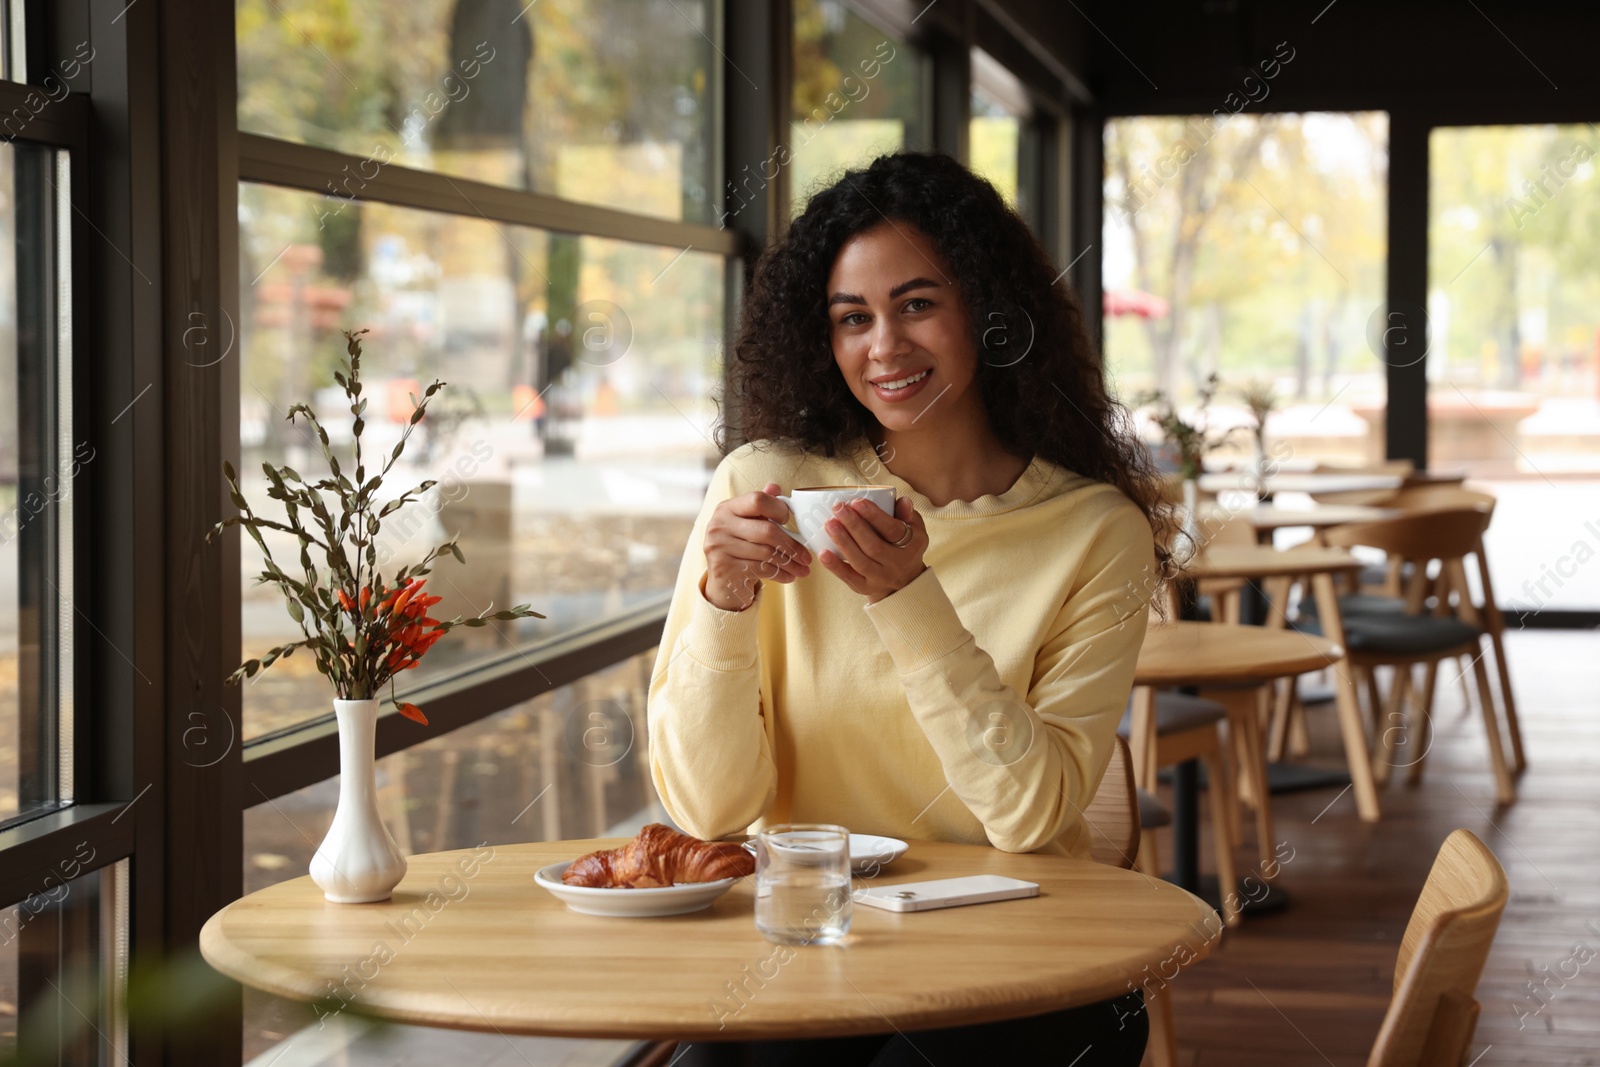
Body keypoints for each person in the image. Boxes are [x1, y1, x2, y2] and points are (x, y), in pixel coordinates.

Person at [648, 152, 1169, 1066]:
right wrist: (723, 603)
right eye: (853, 318)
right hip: (808, 941)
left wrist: (910, 600)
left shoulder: (1094, 533)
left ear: (988, 310)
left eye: (918, 304)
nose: (883, 346)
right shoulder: (762, 487)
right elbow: (708, 809)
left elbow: (1032, 814)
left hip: (1018, 951)